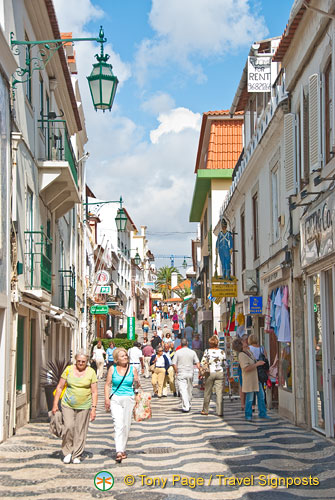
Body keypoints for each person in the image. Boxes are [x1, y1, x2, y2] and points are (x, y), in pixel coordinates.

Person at [52, 350, 97, 464]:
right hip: (67, 404)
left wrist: (94, 408)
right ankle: (67, 452)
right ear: (75, 361)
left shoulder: (91, 372)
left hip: (84, 405)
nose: (81, 363)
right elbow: (60, 387)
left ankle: (77, 454)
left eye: (83, 361)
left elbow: (94, 391)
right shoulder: (68, 370)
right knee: (68, 426)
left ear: (87, 362)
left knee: (80, 430)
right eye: (79, 361)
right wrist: (55, 404)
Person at [104, 348, 141, 463]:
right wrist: (106, 399)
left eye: (125, 355)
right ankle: (119, 451)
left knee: (126, 425)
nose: (125, 357)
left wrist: (136, 381)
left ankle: (123, 448)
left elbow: (137, 386)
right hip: (115, 399)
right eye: (122, 356)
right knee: (118, 424)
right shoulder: (112, 369)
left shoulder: (132, 369)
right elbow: (107, 385)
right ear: (116, 359)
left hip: (129, 399)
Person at [232, 336, 270, 421]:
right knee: (249, 398)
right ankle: (248, 415)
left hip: (256, 379)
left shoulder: (248, 351)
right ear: (241, 345)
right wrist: (257, 364)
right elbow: (245, 368)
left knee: (261, 396)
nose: (245, 341)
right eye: (243, 341)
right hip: (249, 380)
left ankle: (263, 413)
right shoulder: (242, 355)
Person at [173, 339, 200, 412]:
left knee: (183, 390)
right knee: (189, 389)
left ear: (181, 344)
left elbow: (174, 364)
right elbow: (197, 363)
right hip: (190, 372)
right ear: (187, 343)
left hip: (181, 372)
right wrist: (200, 371)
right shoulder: (192, 352)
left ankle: (186, 406)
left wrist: (176, 371)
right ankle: (189, 403)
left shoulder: (177, 352)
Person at [200, 336, 225, 416]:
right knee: (219, 392)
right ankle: (220, 411)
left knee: (208, 391)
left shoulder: (207, 351)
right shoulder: (222, 352)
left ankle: (205, 410)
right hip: (220, 372)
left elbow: (203, 363)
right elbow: (225, 363)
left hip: (210, 372)